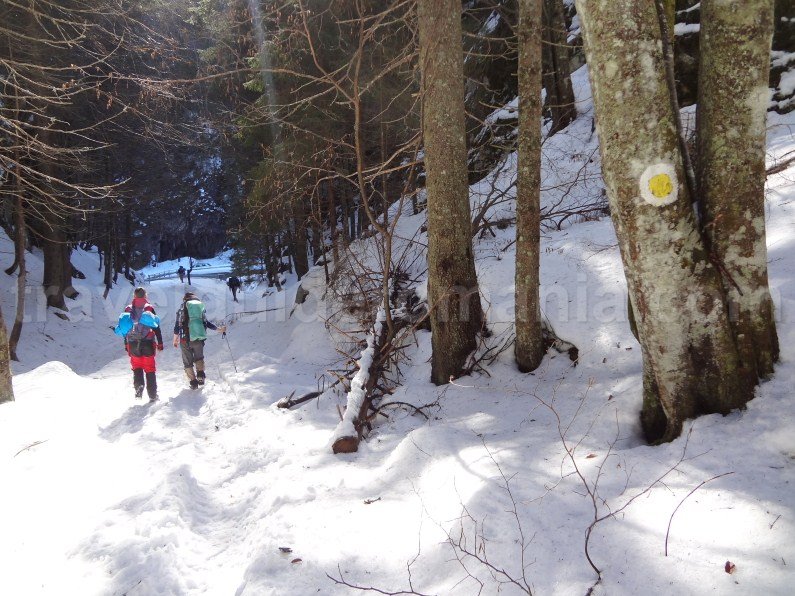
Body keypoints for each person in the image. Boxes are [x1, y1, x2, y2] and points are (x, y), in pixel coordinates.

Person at [114, 287, 164, 401]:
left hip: (132, 343)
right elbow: (156, 327)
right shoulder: (149, 308)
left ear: (134, 296)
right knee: (150, 368)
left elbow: (125, 328)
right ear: (145, 295)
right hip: (148, 343)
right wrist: (160, 342)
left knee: (137, 367)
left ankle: (138, 390)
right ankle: (152, 395)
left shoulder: (128, 309)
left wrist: (126, 343)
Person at [173, 292, 226, 389]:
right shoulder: (199, 307)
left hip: (184, 339)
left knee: (187, 362)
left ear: (185, 299)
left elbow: (177, 326)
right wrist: (218, 329)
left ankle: (193, 382)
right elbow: (206, 322)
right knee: (199, 358)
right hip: (198, 337)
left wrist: (175, 340)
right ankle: (200, 375)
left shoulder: (181, 309)